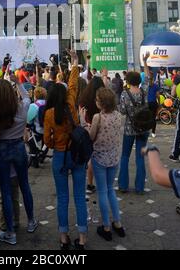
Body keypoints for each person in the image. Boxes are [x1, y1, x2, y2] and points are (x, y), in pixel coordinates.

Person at [44, 49, 88, 250]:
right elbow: (72, 83)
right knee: (79, 196)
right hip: (77, 154)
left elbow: (47, 140)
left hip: (60, 157)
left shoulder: (49, 114)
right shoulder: (71, 103)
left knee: (62, 197)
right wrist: (75, 61)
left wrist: (56, 145)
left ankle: (63, 236)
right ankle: (82, 237)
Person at [0, 70, 38, 245]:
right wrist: (17, 82)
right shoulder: (22, 107)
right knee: (24, 185)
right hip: (19, 147)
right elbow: (28, 97)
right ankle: (31, 220)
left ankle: (10, 231)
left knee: (5, 191)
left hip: (2, 148)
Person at [80, 87, 125, 242]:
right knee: (110, 189)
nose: (95, 101)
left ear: (102, 103)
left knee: (102, 192)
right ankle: (117, 223)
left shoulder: (98, 117)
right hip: (114, 158)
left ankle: (106, 227)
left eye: (97, 100)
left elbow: (91, 136)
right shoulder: (119, 116)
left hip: (99, 158)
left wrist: (83, 122)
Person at [118, 62, 150, 194]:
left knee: (125, 156)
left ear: (129, 82)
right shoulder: (144, 91)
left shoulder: (125, 95)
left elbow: (123, 112)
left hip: (129, 129)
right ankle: (140, 187)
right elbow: (147, 78)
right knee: (140, 158)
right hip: (144, 129)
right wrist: (145, 62)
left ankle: (123, 186)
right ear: (139, 81)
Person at [79, 76, 105, 195]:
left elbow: (81, 113)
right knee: (101, 156)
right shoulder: (103, 98)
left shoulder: (84, 98)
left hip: (88, 128)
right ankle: (102, 182)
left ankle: (90, 183)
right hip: (102, 127)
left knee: (91, 157)